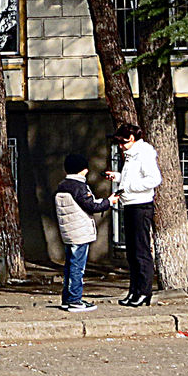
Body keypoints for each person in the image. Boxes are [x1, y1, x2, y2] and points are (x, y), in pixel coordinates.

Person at [105, 123, 162, 307]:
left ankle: (144, 291)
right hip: (131, 205)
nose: (120, 146)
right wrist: (119, 177)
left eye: (122, 142)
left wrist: (128, 187)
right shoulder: (131, 155)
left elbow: (154, 179)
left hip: (141, 206)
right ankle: (134, 290)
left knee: (141, 251)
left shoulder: (143, 153)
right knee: (132, 252)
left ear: (131, 139)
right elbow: (134, 178)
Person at [55, 153, 118, 312]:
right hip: (80, 232)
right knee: (78, 267)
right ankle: (75, 300)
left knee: (70, 266)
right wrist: (109, 201)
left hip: (68, 231)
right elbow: (92, 206)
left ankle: (67, 299)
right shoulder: (79, 186)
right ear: (83, 170)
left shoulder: (63, 185)